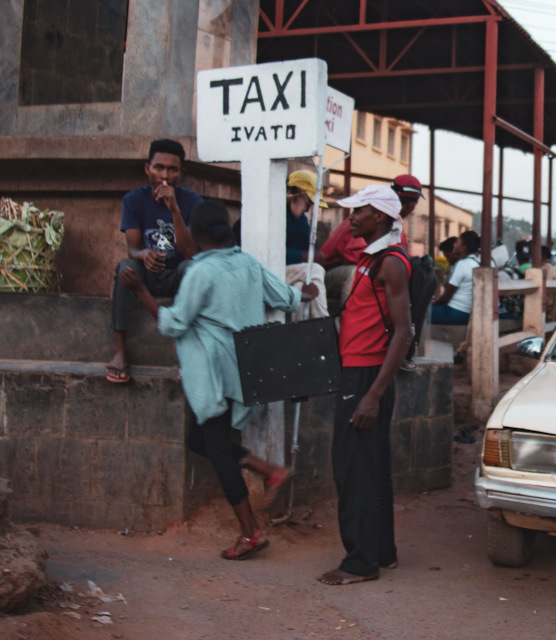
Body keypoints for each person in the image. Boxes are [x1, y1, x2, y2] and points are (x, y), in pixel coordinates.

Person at [118, 201, 320, 560]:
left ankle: (250, 532)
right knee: (201, 440)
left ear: (195, 236)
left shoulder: (199, 273)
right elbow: (285, 297)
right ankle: (268, 469)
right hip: (243, 370)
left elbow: (172, 324)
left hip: (213, 373)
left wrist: (140, 291)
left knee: (214, 448)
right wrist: (305, 293)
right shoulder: (246, 263)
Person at [318, 184, 413, 586]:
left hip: (365, 376)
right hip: (358, 372)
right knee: (371, 467)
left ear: (380, 217)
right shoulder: (371, 259)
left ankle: (360, 562)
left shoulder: (390, 263)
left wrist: (373, 394)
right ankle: (382, 552)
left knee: (353, 468)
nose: (351, 218)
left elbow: (403, 333)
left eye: (359, 212)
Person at [107, 139, 203, 383]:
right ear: (146, 168)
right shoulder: (134, 199)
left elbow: (191, 253)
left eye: (173, 169)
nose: (165, 175)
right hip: (148, 275)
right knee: (125, 268)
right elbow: (132, 248)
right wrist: (143, 255)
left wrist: (174, 210)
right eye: (158, 167)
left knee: (193, 268)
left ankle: (189, 354)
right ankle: (119, 350)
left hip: (176, 276)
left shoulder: (192, 201)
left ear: (182, 173)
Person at [233, 170, 330, 321]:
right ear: (298, 193)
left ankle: (303, 333)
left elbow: (310, 249)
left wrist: (313, 253)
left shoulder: (301, 221)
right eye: (308, 202)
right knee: (315, 270)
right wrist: (303, 255)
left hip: (285, 274)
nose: (308, 208)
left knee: (301, 286)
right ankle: (323, 320)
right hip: (263, 272)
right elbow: (263, 251)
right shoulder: (270, 212)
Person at [319, 175, 422, 308]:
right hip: (330, 273)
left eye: (357, 210)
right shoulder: (364, 224)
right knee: (359, 271)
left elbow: (403, 257)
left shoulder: (396, 228)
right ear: (411, 206)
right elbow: (351, 256)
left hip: (364, 272)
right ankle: (346, 319)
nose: (351, 217)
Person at [431, 230, 481, 325]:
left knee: (421, 312)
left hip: (455, 312)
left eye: (457, 242)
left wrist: (432, 304)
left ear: (463, 248)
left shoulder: (462, 264)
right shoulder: (475, 262)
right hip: (467, 312)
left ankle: (421, 339)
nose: (454, 244)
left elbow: (446, 297)